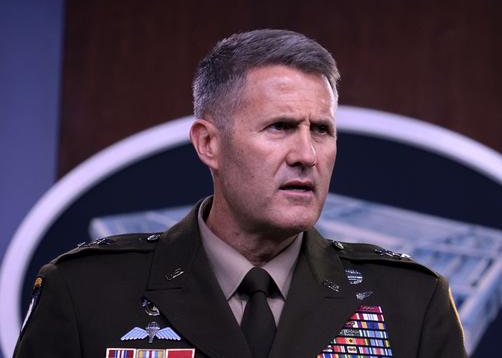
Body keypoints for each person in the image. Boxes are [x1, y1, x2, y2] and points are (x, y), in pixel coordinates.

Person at [13, 29, 467, 358]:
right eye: (280, 127)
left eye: (322, 130)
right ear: (209, 144)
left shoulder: (411, 302)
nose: (306, 154)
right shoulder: (83, 294)